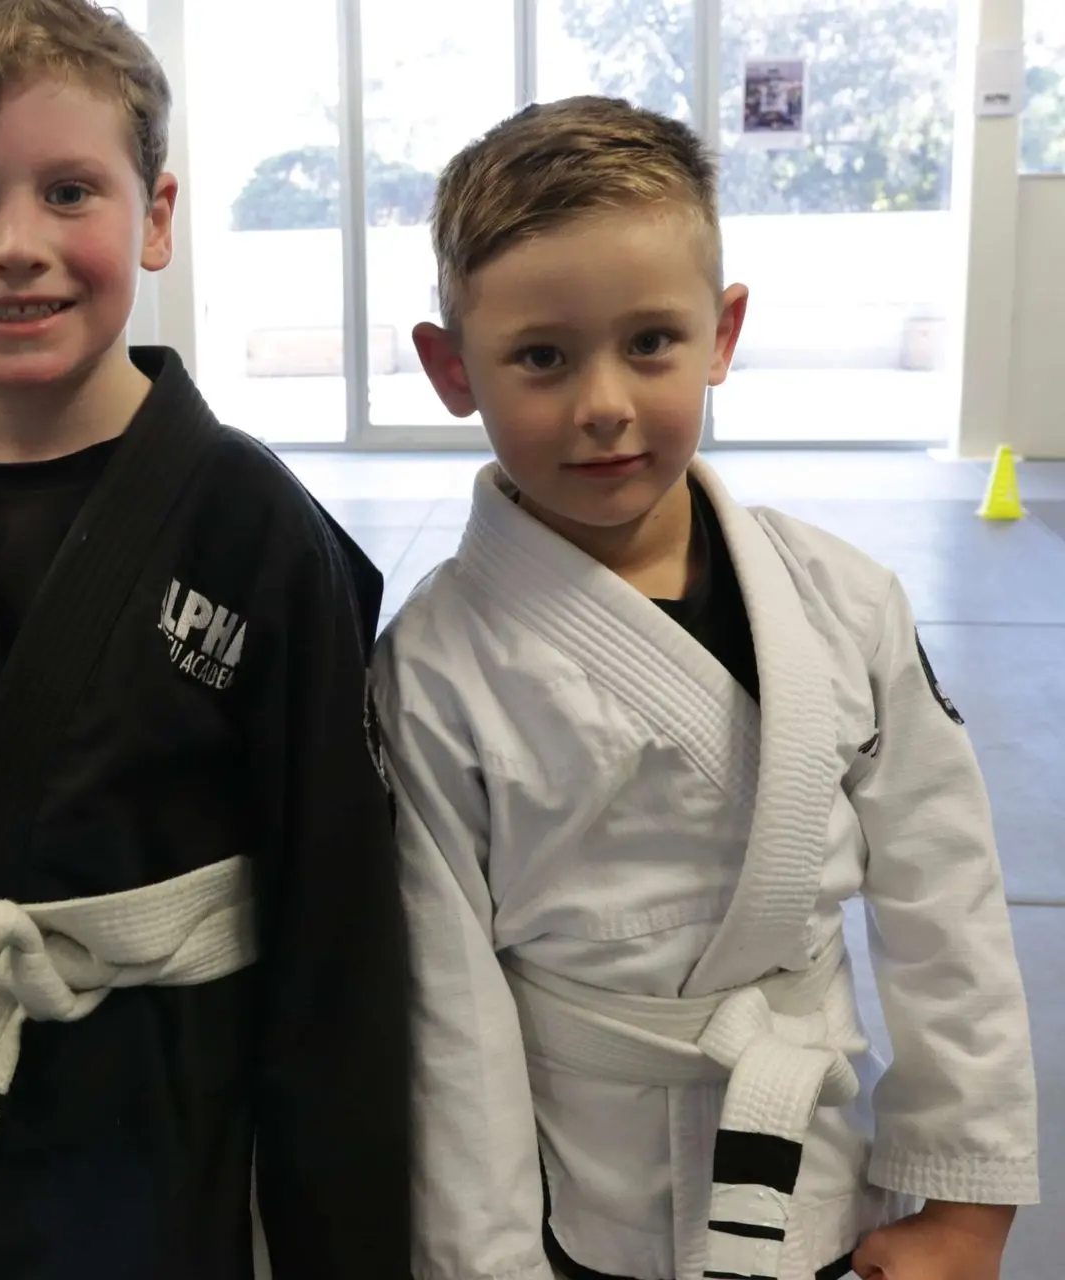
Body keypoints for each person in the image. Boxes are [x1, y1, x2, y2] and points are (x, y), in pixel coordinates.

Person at [375, 96, 1040, 1280]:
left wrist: (962, 1193)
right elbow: (449, 1013)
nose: (604, 403)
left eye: (651, 342)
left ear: (722, 333)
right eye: (540, 355)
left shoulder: (844, 598)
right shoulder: (433, 665)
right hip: (581, 1202)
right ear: (450, 366)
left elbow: (948, 900)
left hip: (823, 1179)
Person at [0, 1, 413, 1276]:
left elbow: (338, 934)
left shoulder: (261, 534)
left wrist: (337, 1237)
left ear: (155, 214)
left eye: (70, 189)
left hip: (184, 1113)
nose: (18, 245)